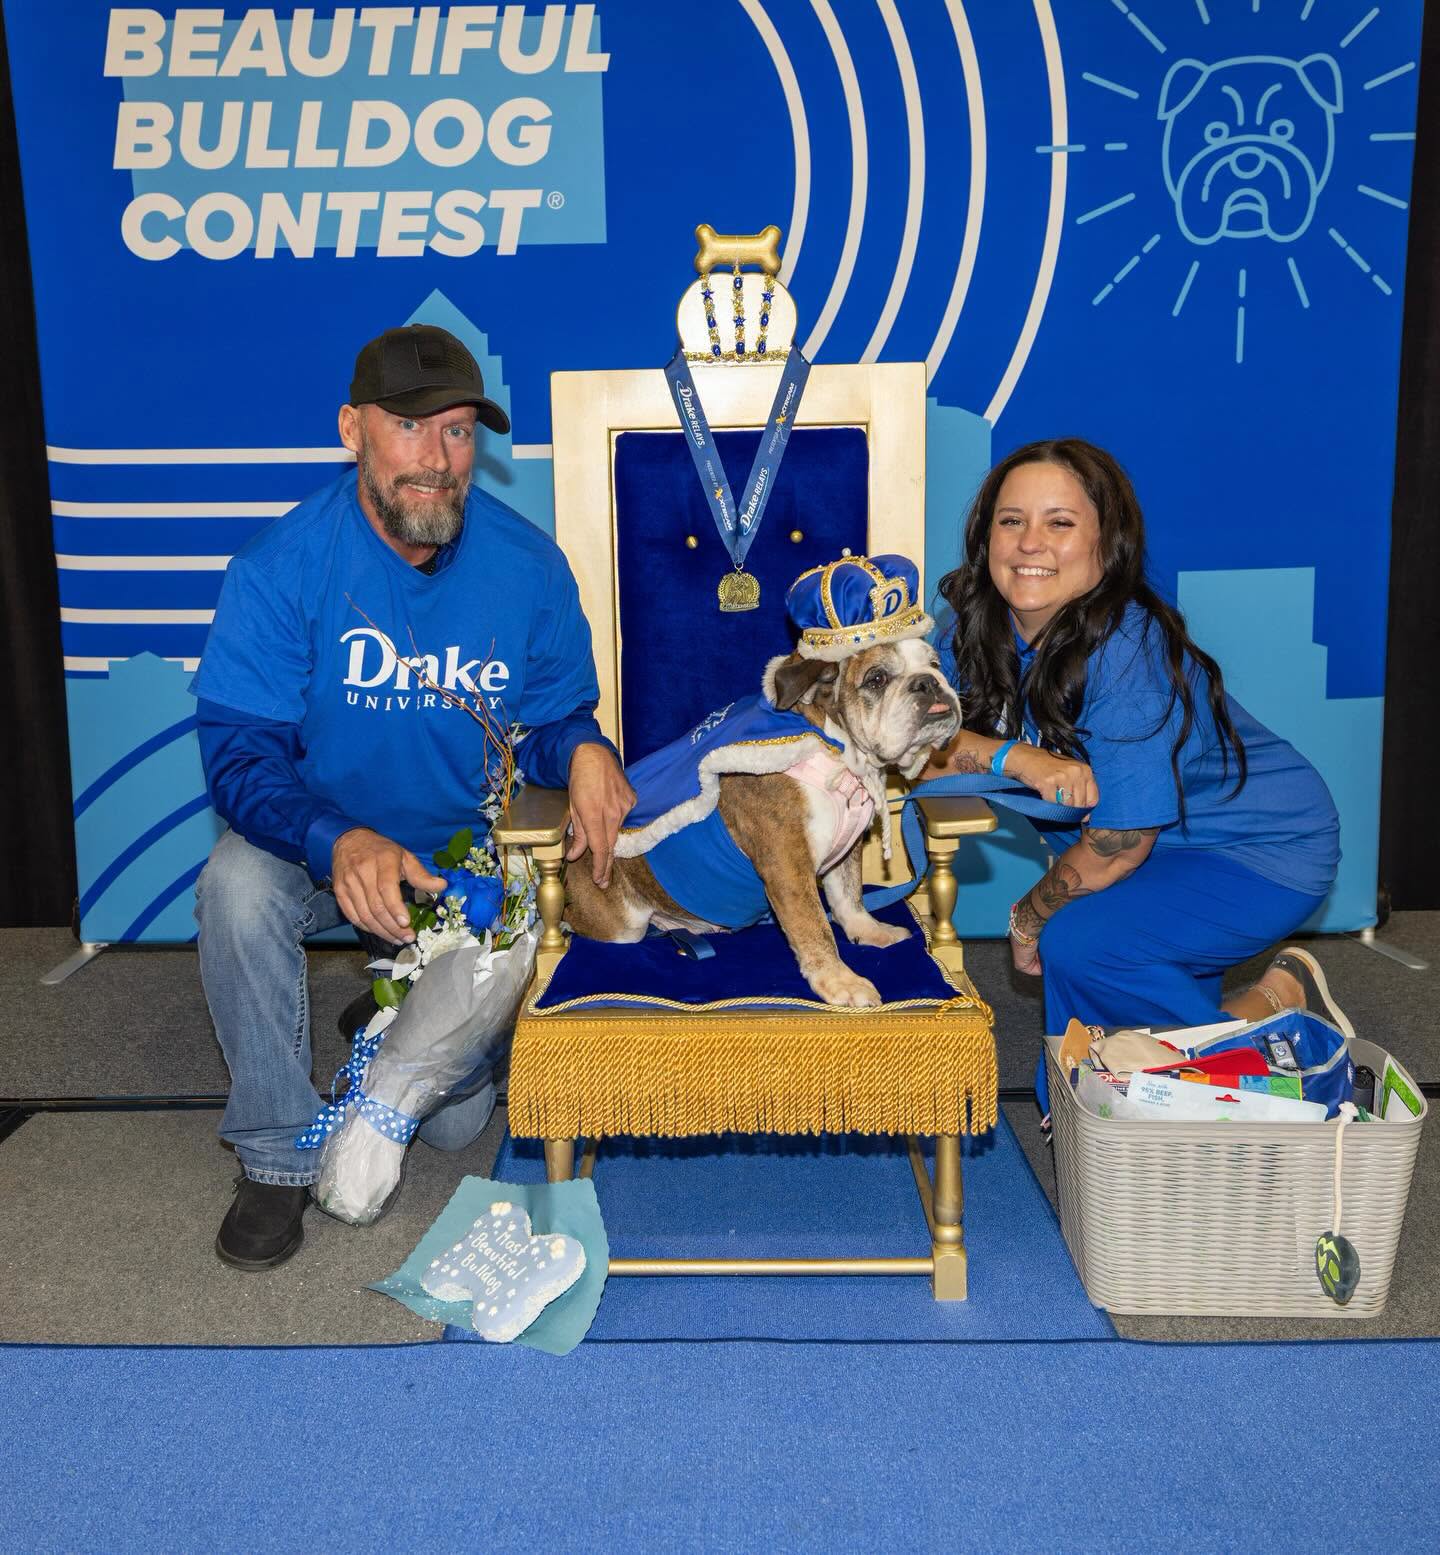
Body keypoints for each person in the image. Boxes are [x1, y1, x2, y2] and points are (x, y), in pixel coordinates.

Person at [192, 323, 634, 1270]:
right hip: (324, 843)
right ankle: (274, 1156)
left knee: (455, 1128)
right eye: (410, 428)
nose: (439, 461)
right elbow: (238, 756)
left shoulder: (527, 565)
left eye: (461, 431)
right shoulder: (281, 567)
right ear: (353, 429)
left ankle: (395, 1020)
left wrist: (588, 746)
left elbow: (554, 715)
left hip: (462, 864)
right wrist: (333, 836)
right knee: (233, 886)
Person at [926, 438, 1347, 1106]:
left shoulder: (1123, 648)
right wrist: (1015, 756)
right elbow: (903, 736)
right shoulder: (975, 624)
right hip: (1136, 847)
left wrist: (1029, 917)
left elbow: (1121, 845)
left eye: (1059, 522)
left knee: (1084, 945)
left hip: (1256, 848)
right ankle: (1267, 1003)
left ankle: (1279, 1086)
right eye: (1012, 521)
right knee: (1100, 1043)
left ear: (1107, 543)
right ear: (986, 537)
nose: (1030, 542)